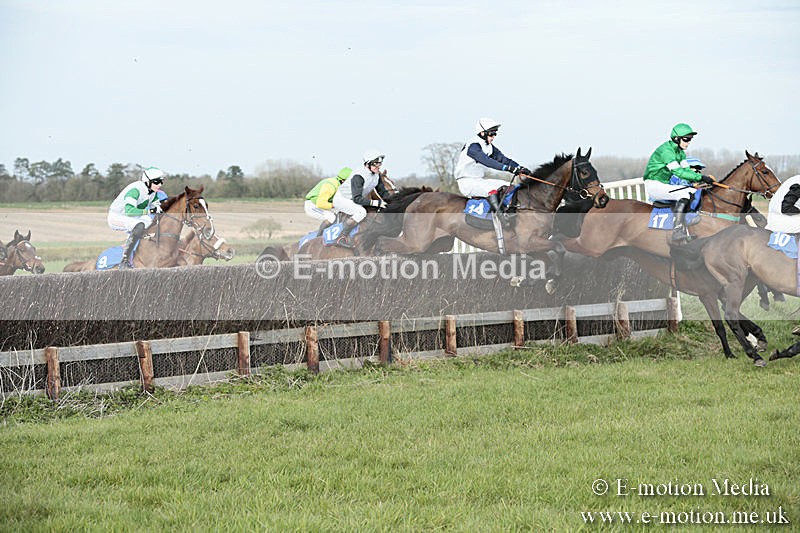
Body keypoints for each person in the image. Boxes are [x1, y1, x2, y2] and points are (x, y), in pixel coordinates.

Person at [643, 123, 715, 243]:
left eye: (690, 140)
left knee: (692, 191)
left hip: (664, 185)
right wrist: (700, 177)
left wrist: (702, 180)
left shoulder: (680, 153)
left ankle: (687, 223)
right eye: (686, 139)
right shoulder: (666, 151)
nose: (688, 142)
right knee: (684, 194)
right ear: (677, 139)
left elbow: (686, 170)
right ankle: (677, 231)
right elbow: (678, 172)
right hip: (654, 185)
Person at [454, 118, 530, 219]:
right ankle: (500, 218)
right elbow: (487, 161)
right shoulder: (473, 146)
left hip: (480, 180)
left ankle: (510, 212)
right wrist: (508, 169)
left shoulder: (489, 147)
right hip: (467, 182)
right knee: (493, 190)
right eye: (491, 134)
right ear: (482, 133)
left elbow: (503, 159)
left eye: (495, 134)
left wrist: (519, 168)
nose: (493, 137)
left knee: (509, 187)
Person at [107, 167, 166, 268]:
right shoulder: (135, 190)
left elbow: (157, 208)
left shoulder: (153, 192)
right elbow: (129, 211)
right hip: (117, 217)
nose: (159, 185)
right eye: (156, 182)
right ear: (147, 181)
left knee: (153, 224)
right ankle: (124, 260)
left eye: (161, 182)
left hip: (133, 217)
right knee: (140, 225)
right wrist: (150, 211)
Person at [331, 151, 391, 247]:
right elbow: (357, 199)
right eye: (376, 163)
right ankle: (341, 237)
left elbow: (382, 192)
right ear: (367, 164)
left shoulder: (377, 175)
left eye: (379, 163)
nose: (378, 166)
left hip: (355, 198)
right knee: (361, 212)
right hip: (342, 199)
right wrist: (377, 203)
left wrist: (393, 201)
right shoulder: (358, 176)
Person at [304, 167, 352, 233]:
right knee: (331, 217)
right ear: (344, 180)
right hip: (313, 205)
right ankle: (318, 236)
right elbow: (321, 203)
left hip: (321, 204)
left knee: (341, 215)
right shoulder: (331, 185)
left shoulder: (340, 184)